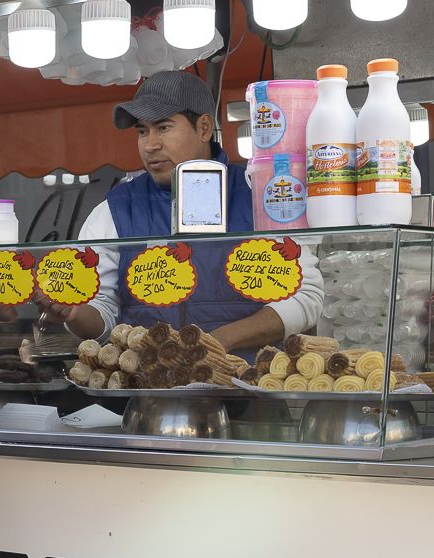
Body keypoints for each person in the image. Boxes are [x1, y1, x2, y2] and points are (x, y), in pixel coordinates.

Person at [36, 70, 321, 356]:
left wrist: (217, 342)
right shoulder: (115, 209)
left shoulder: (260, 193)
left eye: (163, 127)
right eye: (142, 131)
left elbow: (305, 296)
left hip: (250, 387)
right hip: (150, 391)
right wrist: (75, 314)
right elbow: (102, 311)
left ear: (204, 128)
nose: (150, 145)